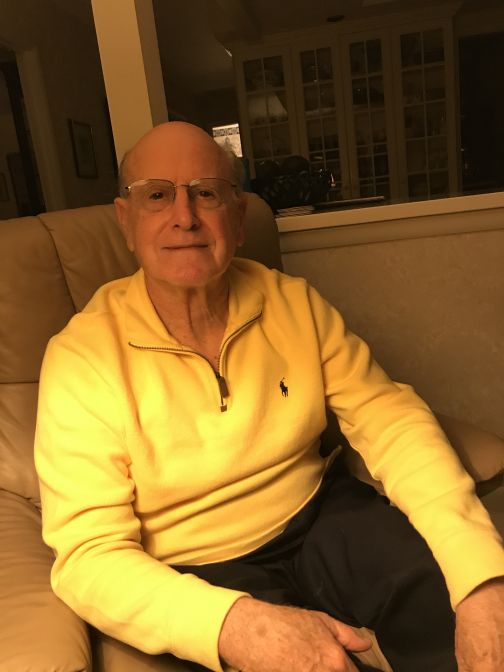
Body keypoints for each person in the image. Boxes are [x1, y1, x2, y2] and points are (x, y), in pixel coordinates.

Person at [35, 121, 504, 672]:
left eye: (206, 193)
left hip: (322, 512)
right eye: (157, 195)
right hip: (194, 566)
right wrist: (233, 624)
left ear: (237, 219)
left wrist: (480, 578)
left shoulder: (292, 303)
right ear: (126, 221)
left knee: (461, 614)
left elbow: (389, 418)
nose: (185, 216)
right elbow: (89, 555)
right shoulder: (81, 358)